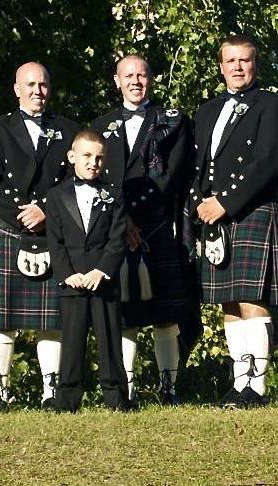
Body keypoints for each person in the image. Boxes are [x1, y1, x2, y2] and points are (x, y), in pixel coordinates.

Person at [0, 62, 79, 411]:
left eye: (43, 85)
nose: (37, 91)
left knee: (51, 318)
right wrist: (22, 214)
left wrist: (47, 209)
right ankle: (0, 393)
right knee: (2, 317)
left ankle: (51, 393)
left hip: (51, 228)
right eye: (30, 85)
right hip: (8, 226)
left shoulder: (68, 129)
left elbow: (77, 180)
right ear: (16, 89)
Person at [190, 35, 278, 407]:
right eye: (230, 61)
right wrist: (199, 204)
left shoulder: (273, 105)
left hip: (251, 209)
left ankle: (257, 386)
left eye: (244, 61)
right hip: (213, 214)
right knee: (227, 301)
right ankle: (238, 382)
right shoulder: (207, 110)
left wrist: (225, 203)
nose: (237, 67)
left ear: (255, 64)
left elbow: (266, 163)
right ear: (221, 66)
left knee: (251, 297)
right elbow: (199, 165)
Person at [91, 54, 193, 405]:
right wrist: (121, 222)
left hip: (157, 225)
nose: (136, 81)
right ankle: (128, 390)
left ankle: (170, 388)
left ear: (151, 79)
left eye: (142, 75)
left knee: (164, 312)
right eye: (128, 76)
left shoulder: (173, 121)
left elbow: (172, 176)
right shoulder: (99, 124)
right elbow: (94, 179)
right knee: (126, 312)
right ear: (116, 81)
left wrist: (136, 217)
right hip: (116, 230)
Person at [45, 130, 130, 413]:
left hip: (103, 281)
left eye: (99, 157)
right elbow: (55, 240)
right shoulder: (56, 196)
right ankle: (67, 401)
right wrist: (66, 273)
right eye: (87, 156)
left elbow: (117, 238)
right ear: (72, 157)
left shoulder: (114, 193)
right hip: (72, 281)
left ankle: (116, 399)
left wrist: (102, 271)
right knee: (71, 342)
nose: (93, 162)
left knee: (109, 340)